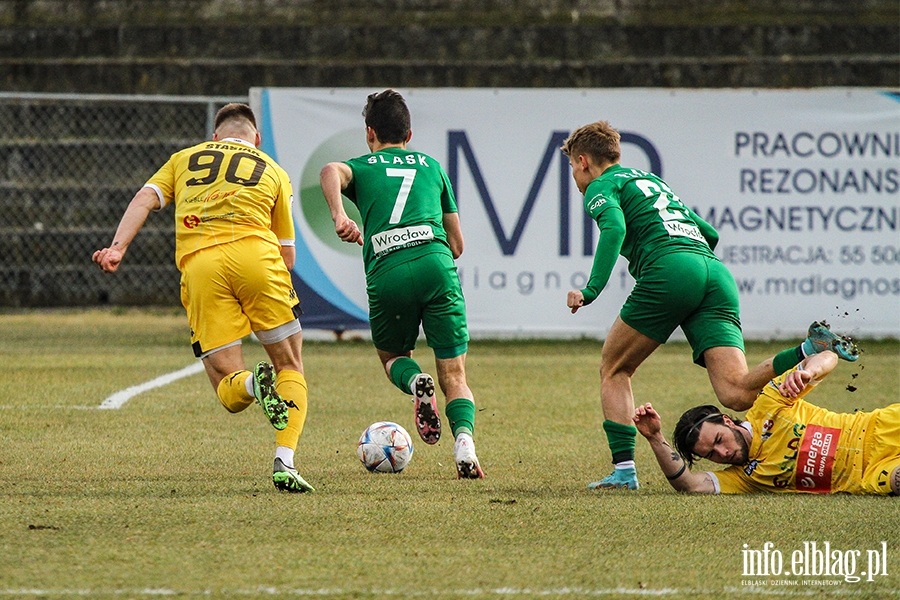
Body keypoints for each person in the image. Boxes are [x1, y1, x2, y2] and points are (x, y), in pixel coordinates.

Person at [560, 121, 859, 491]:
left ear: (583, 160)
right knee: (737, 393)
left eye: (573, 166)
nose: (574, 175)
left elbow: (615, 230)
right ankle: (809, 349)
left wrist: (591, 290)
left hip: (671, 270)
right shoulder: (650, 181)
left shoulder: (601, 186)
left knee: (614, 368)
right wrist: (695, 281)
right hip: (714, 273)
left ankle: (624, 472)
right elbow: (710, 233)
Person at [92, 103, 314, 493]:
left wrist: (117, 248)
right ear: (256, 140)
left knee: (228, 387)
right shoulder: (273, 170)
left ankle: (251, 385)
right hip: (258, 258)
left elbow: (144, 198)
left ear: (215, 138)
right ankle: (285, 460)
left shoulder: (183, 159)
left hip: (201, 267)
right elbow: (288, 254)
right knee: (290, 365)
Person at [319, 89, 484, 479]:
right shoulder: (432, 166)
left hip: (388, 268)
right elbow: (457, 246)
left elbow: (329, 170)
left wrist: (341, 216)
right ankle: (464, 445)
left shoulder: (364, 166)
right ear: (409, 135)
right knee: (455, 375)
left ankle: (414, 382)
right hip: (435, 264)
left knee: (392, 357)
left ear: (369, 133)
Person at [634, 350, 899, 495]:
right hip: (869, 475)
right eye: (711, 455)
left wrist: (808, 371)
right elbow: (689, 485)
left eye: (718, 440)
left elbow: (828, 355)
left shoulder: (768, 403)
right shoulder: (743, 478)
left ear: (727, 421)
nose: (723, 453)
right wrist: (655, 438)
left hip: (879, 427)